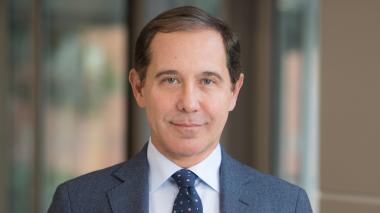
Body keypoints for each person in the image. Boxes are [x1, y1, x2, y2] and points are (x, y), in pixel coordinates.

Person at [48, 6, 312, 213]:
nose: (188, 102)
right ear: (139, 87)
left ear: (234, 91)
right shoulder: (77, 203)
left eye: (207, 81)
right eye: (170, 80)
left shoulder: (287, 205)